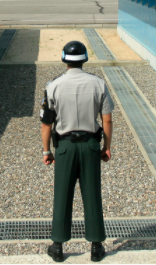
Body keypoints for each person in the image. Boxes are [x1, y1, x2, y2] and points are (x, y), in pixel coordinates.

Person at [40, 41, 113, 263]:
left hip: (64, 147)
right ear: (84, 58)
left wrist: (46, 150)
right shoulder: (99, 84)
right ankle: (96, 246)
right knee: (92, 193)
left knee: (62, 193)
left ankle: (58, 246)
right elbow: (107, 119)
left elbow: (46, 124)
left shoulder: (53, 86)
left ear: (64, 59)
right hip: (90, 145)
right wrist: (107, 147)